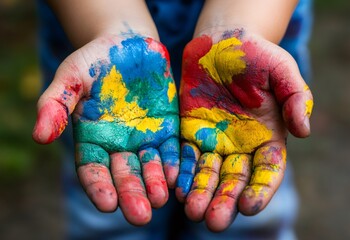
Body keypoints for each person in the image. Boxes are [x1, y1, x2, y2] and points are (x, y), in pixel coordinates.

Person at [34, 0, 313, 239]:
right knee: (111, 211)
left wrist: (239, 27)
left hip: (245, 73)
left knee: (243, 207)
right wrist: (112, 26)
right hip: (106, 74)